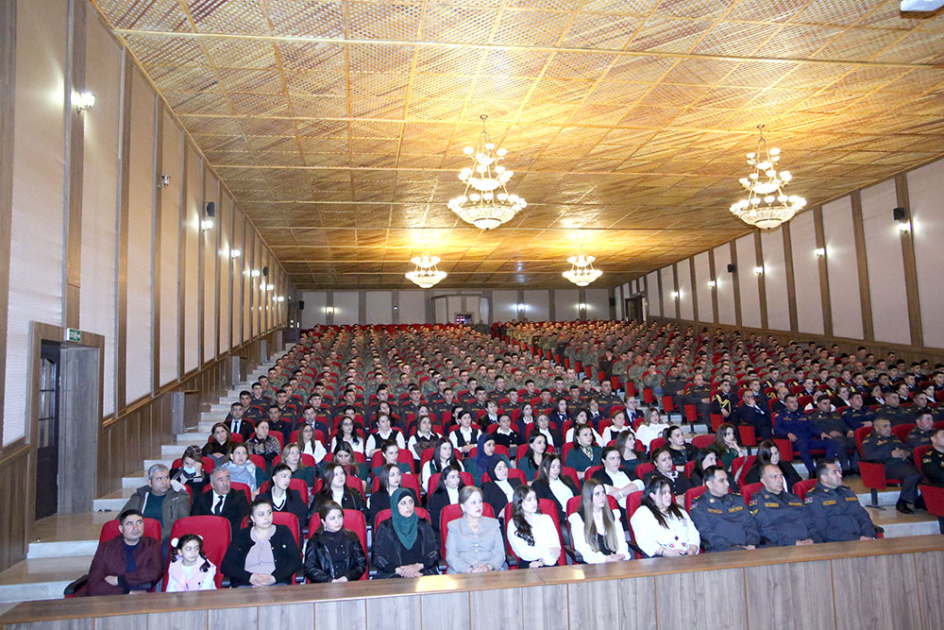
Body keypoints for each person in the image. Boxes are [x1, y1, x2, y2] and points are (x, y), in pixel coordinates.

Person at [221, 497, 302, 587]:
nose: (266, 518)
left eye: (269, 513)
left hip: (277, 584)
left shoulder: (283, 532)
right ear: (253, 518)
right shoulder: (242, 535)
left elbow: (295, 561)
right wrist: (249, 578)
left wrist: (275, 578)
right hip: (246, 586)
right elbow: (227, 565)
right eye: (261, 514)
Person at [87, 509, 163, 596]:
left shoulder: (152, 544)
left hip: (144, 597)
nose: (136, 527)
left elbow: (154, 573)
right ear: (121, 529)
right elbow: (94, 584)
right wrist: (128, 593)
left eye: (139, 522)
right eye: (129, 524)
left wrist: (119, 580)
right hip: (113, 597)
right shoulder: (105, 548)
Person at [120, 464, 190, 551]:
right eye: (159, 479)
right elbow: (121, 519)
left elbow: (181, 523)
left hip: (166, 538)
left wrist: (156, 538)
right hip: (138, 536)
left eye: (166, 477)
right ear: (150, 482)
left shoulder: (180, 497)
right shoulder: (139, 497)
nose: (164, 482)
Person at [372, 488, 440, 578]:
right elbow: (378, 557)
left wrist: (417, 566)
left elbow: (434, 552)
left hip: (422, 572)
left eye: (411, 502)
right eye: (403, 503)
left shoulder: (423, 525)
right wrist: (400, 571)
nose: (408, 506)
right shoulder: (385, 527)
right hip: (394, 574)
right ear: (395, 506)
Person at [690, 466, 760, 552]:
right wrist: (732, 548)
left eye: (727, 479)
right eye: (721, 480)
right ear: (709, 484)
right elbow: (707, 534)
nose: (727, 484)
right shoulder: (700, 505)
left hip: (749, 549)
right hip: (721, 553)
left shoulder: (737, 500)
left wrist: (752, 543)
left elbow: (750, 525)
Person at [861, 418, 922, 514]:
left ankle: (919, 500)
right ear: (876, 428)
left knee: (926, 473)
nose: (889, 428)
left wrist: (907, 453)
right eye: (885, 426)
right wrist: (890, 454)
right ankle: (902, 501)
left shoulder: (893, 437)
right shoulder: (869, 440)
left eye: (889, 426)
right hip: (885, 467)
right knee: (913, 475)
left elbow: (907, 447)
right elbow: (869, 455)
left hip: (903, 464)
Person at [748, 464, 819, 547]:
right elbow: (766, 531)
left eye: (781, 475)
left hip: (808, 545)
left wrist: (813, 539)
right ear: (763, 481)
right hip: (781, 548)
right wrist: (792, 543)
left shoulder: (793, 498)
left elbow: (811, 523)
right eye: (774, 477)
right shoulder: (758, 502)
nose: (780, 480)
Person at [805, 461, 876, 542]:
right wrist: (856, 538)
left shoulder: (846, 491)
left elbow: (862, 516)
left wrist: (868, 534)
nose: (840, 475)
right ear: (824, 478)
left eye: (839, 471)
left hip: (861, 539)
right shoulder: (815, 498)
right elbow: (823, 528)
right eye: (835, 473)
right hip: (837, 542)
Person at [630, 475, 700, 558]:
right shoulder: (642, 513)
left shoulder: (679, 510)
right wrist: (667, 552)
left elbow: (693, 532)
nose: (668, 496)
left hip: (687, 556)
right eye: (663, 493)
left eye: (669, 492)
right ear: (652, 495)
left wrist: (693, 548)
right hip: (660, 558)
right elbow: (644, 541)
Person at [445, 486, 506, 574]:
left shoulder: (494, 524)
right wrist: (469, 569)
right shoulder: (454, 526)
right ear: (463, 507)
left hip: (490, 572)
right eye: (473, 502)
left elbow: (499, 553)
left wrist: (488, 567)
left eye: (480, 501)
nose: (478, 506)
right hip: (461, 573)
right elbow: (451, 556)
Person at [774, 394, 839, 476]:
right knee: (803, 444)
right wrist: (787, 433)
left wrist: (821, 433)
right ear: (786, 404)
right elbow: (777, 429)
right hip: (794, 442)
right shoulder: (781, 415)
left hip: (809, 440)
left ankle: (827, 468)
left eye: (796, 401)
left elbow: (811, 427)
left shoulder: (802, 414)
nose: (795, 404)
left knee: (831, 442)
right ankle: (812, 471)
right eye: (791, 402)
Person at [568, 479, 630, 564]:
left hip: (616, 562)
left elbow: (621, 541)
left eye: (603, 493)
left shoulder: (613, 514)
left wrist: (621, 554)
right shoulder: (578, 518)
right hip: (593, 565)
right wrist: (604, 559)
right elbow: (582, 547)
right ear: (588, 497)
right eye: (597, 494)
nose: (602, 497)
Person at [304, 501, 367, 583]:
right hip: (324, 586)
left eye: (340, 516)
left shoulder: (351, 537)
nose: (337, 521)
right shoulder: (315, 541)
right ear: (323, 521)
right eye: (332, 518)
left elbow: (361, 564)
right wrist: (329, 580)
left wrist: (347, 577)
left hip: (348, 584)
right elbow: (309, 568)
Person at [507, 485, 561, 569]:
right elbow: (524, 552)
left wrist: (542, 561)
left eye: (535, 498)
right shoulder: (513, 524)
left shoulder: (546, 519)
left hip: (550, 562)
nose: (534, 502)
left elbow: (557, 549)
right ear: (519, 503)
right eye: (529, 500)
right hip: (529, 565)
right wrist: (548, 550)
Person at [191, 468, 250, 535]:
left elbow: (243, 523)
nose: (225, 483)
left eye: (227, 479)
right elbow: (194, 521)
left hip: (230, 537)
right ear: (212, 484)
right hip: (205, 536)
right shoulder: (201, 498)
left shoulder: (239, 497)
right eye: (220, 480)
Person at [257, 464, 308, 538]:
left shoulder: (295, 496)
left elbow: (302, 518)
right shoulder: (261, 498)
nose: (287, 480)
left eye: (289, 477)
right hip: (267, 536)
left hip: (289, 536)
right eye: (284, 476)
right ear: (274, 479)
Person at [532, 454, 580, 520]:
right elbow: (546, 508)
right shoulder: (538, 485)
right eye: (553, 467)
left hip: (577, 513)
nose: (556, 470)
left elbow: (579, 497)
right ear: (545, 469)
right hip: (560, 519)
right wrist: (566, 516)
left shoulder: (568, 479)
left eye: (558, 467)